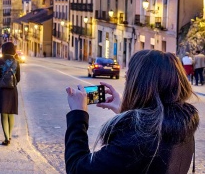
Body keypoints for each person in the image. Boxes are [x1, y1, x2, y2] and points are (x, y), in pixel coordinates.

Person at [65, 50, 199, 173]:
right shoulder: (183, 124)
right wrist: (125, 111)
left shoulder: (138, 138)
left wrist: (78, 114)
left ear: (138, 86)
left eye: (128, 78)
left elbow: (78, 169)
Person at [0, 42, 20, 146]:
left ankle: (6, 138)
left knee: (3, 114)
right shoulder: (16, 62)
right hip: (12, 90)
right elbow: (18, 78)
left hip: (1, 90)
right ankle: (10, 136)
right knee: (11, 113)